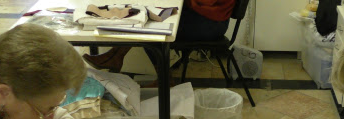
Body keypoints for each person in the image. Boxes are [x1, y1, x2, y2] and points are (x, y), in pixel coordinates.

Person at [82, 0, 235, 72]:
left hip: (211, 23)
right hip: (205, 15)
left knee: (153, 27)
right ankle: (115, 56)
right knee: (143, 14)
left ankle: (164, 81)